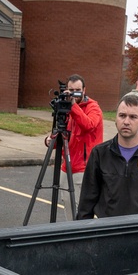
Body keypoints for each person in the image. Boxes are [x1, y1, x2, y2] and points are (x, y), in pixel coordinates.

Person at [43, 74, 103, 212]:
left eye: (77, 90)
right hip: (67, 165)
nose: (74, 93)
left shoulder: (93, 108)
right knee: (68, 204)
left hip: (84, 167)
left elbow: (89, 125)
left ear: (84, 90)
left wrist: (73, 106)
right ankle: (70, 230)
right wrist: (50, 140)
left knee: (79, 207)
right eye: (71, 90)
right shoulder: (66, 107)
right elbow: (65, 134)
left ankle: (77, 232)